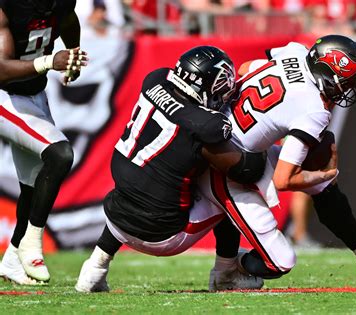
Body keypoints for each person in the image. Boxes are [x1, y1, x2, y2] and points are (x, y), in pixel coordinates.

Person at [198, 35, 356, 286]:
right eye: (346, 83)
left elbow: (245, 68)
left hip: (229, 146)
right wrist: (325, 175)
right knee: (283, 256)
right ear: (329, 75)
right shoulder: (313, 108)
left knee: (322, 185)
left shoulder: (294, 52)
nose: (346, 91)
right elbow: (284, 179)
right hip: (225, 166)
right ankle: (227, 271)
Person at [75, 45, 267, 293]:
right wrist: (262, 141)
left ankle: (95, 267)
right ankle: (226, 273)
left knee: (141, 183)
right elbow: (246, 170)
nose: (224, 91)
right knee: (226, 189)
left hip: (115, 213)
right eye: (220, 84)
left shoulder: (155, 79)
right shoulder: (207, 124)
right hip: (163, 235)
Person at [0, 0, 87, 284]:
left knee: (35, 182)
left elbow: (68, 19)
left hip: (34, 95)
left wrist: (72, 56)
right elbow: (1, 68)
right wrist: (51, 61)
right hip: (5, 95)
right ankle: (31, 242)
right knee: (60, 154)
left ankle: (12, 257)